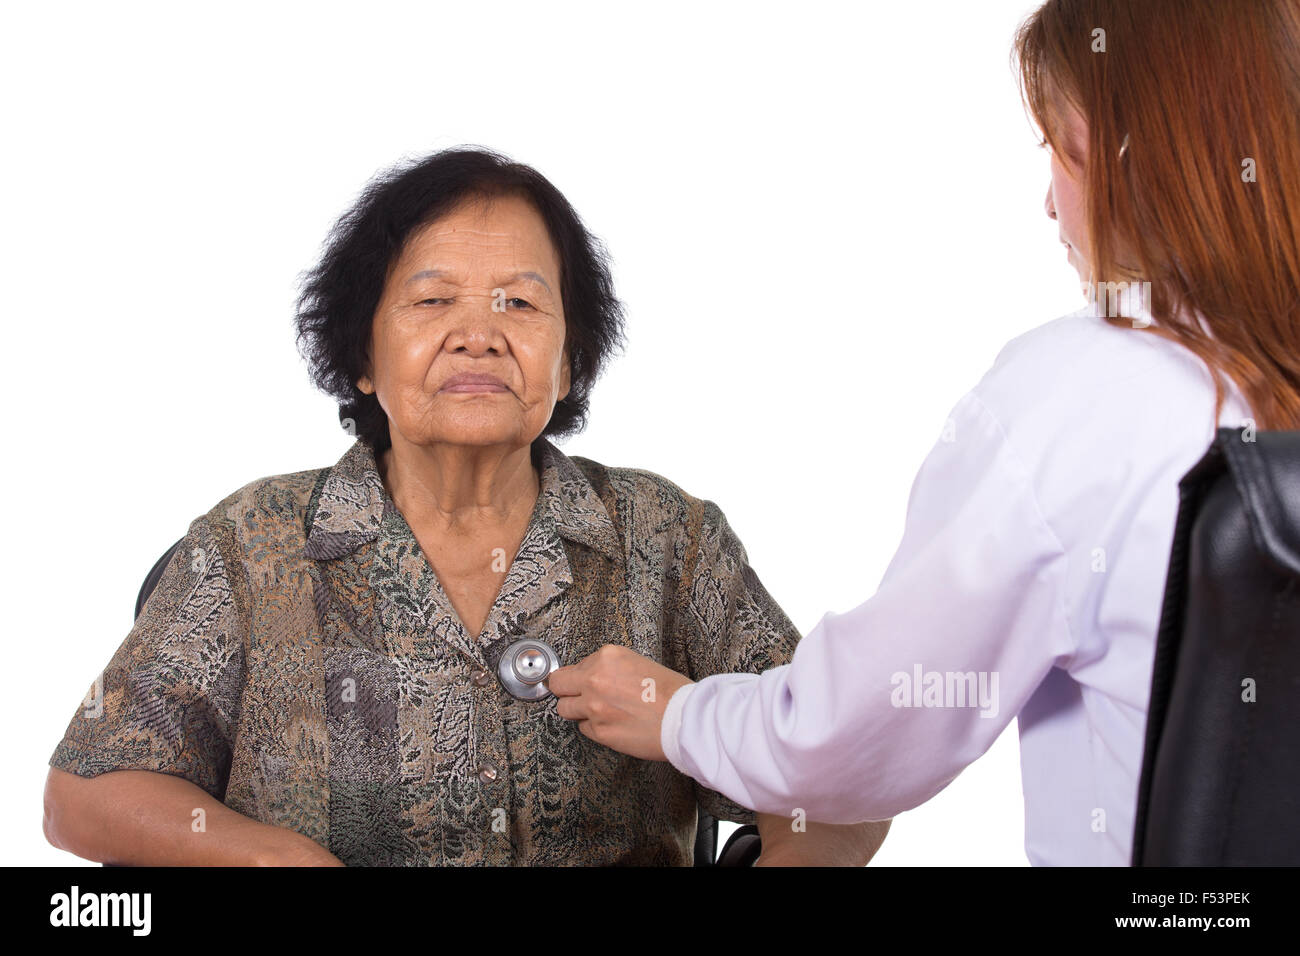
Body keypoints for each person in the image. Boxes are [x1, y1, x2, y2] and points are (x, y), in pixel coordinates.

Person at [550, 0, 1300, 865]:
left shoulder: (1088, 392)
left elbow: (856, 734)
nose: (1050, 201)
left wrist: (676, 715)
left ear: (1127, 151)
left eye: (1057, 147)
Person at [42, 146, 888, 866]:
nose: (477, 333)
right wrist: (270, 857)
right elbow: (84, 790)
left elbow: (841, 768)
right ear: (362, 355)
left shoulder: (671, 538)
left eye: (519, 303)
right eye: (431, 299)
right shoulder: (252, 542)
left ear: (568, 364)